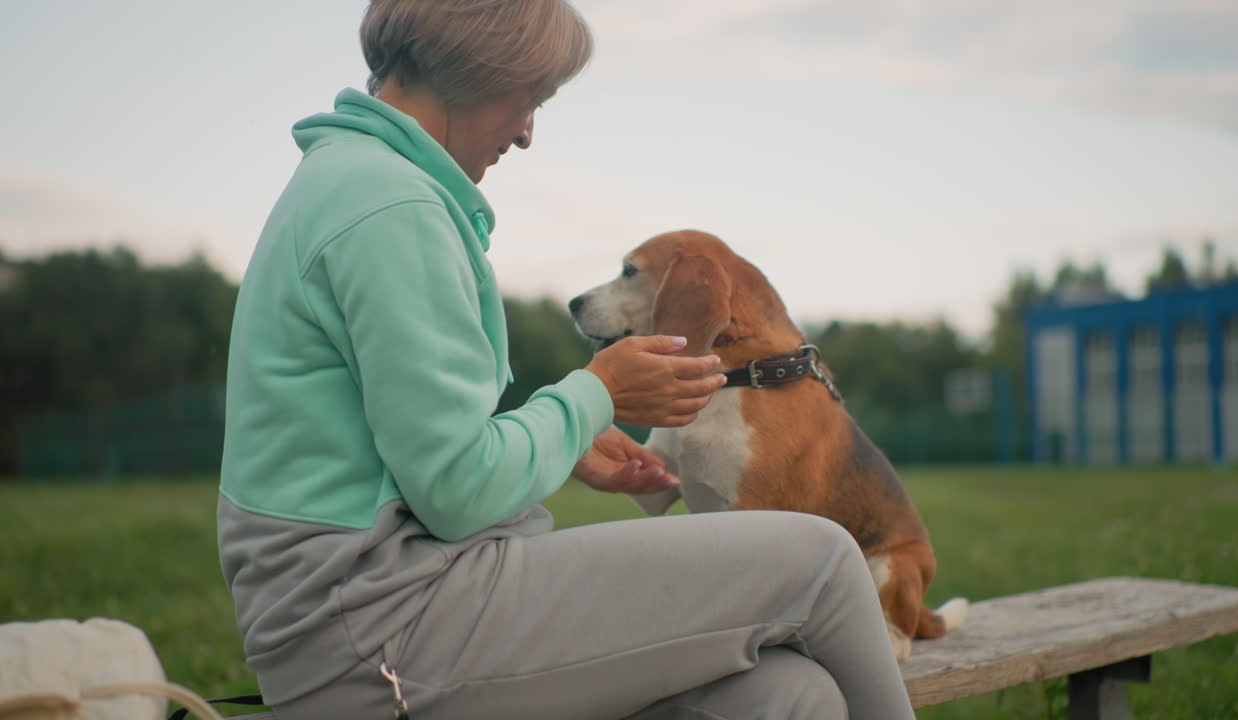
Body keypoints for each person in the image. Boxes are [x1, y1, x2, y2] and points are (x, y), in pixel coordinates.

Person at [217, 1, 917, 718]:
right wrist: (593, 398)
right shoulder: (391, 207)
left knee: (787, 697)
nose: (526, 133)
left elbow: (409, 449)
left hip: (377, 614)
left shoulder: (355, 180)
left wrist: (566, 432)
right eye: (531, 98)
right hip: (381, 633)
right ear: (473, 66)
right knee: (823, 562)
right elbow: (456, 491)